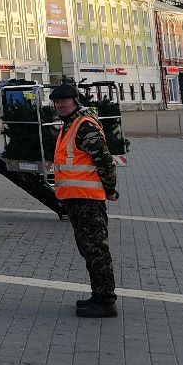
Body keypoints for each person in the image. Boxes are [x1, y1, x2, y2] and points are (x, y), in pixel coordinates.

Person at [51, 83, 120, 318]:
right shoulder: (69, 126)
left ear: (75, 101)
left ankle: (106, 301)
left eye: (64, 100)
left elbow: (105, 162)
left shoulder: (84, 126)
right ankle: (98, 295)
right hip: (75, 199)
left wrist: (110, 190)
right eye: (57, 102)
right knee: (89, 249)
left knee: (97, 250)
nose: (60, 105)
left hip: (88, 200)